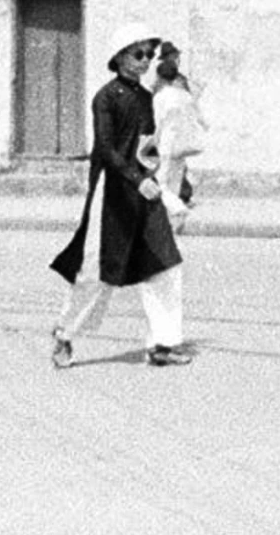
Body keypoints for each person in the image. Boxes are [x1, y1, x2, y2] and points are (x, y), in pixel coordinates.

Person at [49, 25, 191, 368]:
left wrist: (153, 177)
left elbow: (147, 147)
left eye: (148, 55)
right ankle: (65, 334)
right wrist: (133, 178)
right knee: (98, 272)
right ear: (119, 58)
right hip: (112, 192)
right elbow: (106, 149)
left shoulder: (146, 99)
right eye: (137, 54)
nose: (144, 62)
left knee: (165, 263)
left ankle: (162, 344)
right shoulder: (106, 97)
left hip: (143, 189)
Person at [151, 43, 207, 211]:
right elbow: (196, 114)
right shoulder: (184, 93)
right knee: (175, 181)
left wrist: (153, 141)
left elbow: (158, 122)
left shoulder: (160, 96)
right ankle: (176, 208)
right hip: (182, 142)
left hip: (167, 143)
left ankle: (176, 209)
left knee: (162, 182)